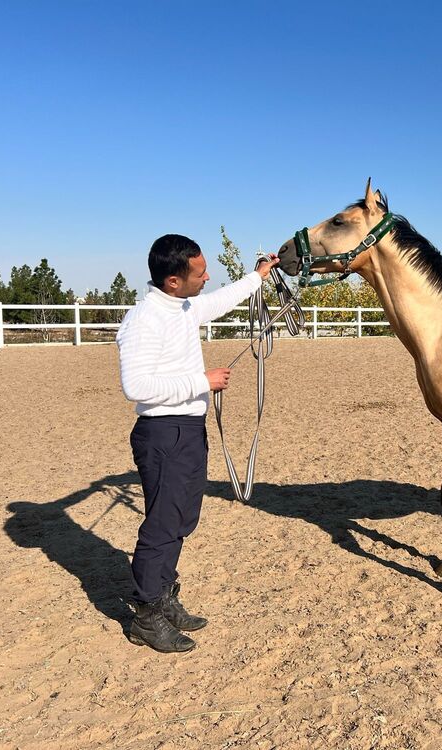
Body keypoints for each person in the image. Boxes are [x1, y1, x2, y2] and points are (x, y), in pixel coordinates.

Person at [115, 234, 279, 653]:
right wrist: (200, 382)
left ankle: (164, 595)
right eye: (200, 272)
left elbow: (220, 299)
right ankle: (147, 615)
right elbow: (135, 385)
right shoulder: (144, 320)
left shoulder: (182, 307)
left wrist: (258, 277)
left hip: (188, 428)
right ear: (173, 280)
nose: (207, 277)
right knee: (163, 524)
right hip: (163, 432)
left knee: (182, 518)